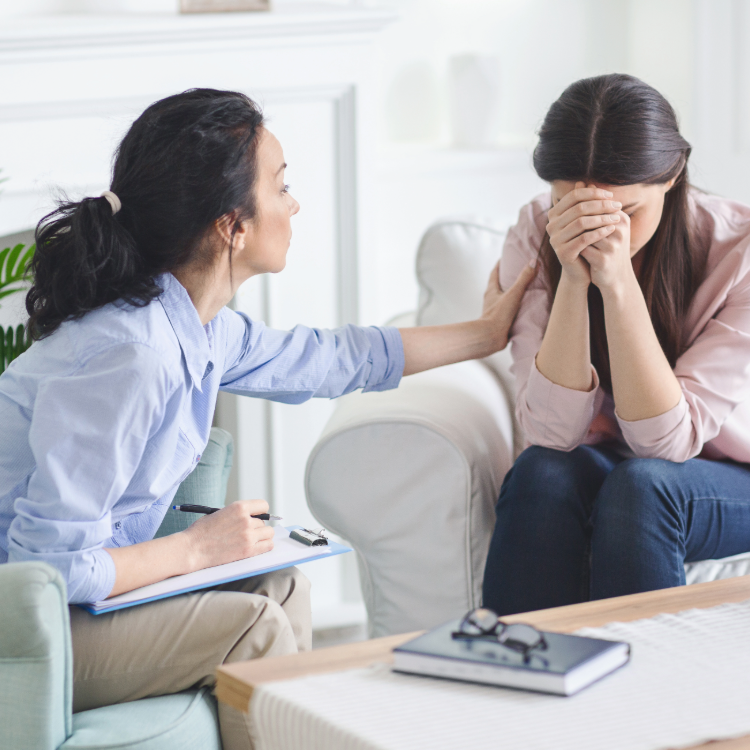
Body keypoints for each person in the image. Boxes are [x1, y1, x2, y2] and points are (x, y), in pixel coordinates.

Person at [0, 89, 535, 749]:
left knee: (282, 588)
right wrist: (197, 549)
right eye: (281, 187)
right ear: (233, 225)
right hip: (23, 631)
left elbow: (332, 358)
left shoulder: (194, 326)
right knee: (253, 628)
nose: (295, 204)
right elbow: (44, 568)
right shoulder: (132, 355)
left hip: (67, 609)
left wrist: (487, 334)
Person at [482, 73, 750, 617]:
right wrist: (574, 280)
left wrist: (618, 280)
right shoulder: (537, 229)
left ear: (671, 175)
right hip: (605, 459)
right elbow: (550, 433)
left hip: (727, 470)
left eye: (625, 213)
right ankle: (514, 676)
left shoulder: (739, 251)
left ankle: (643, 699)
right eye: (568, 205)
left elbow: (665, 444)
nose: (597, 231)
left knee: (644, 485)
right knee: (540, 472)